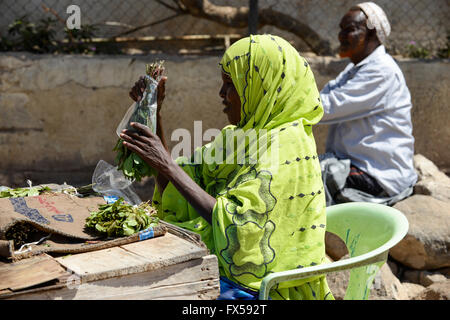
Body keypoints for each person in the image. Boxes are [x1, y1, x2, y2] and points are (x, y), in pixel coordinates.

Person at [122, 34, 333, 300]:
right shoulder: (241, 137)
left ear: (261, 88)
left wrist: (165, 163)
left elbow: (240, 227)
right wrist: (155, 112)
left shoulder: (287, 147)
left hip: (263, 291)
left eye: (231, 85)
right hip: (226, 274)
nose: (222, 94)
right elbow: (179, 180)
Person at [318, 2, 417, 206]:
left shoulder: (381, 71)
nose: (341, 36)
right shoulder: (353, 69)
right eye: (341, 29)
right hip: (355, 165)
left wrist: (279, 105)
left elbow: (325, 107)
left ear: (372, 35)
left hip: (378, 175)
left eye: (350, 30)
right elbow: (320, 98)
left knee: (305, 178)